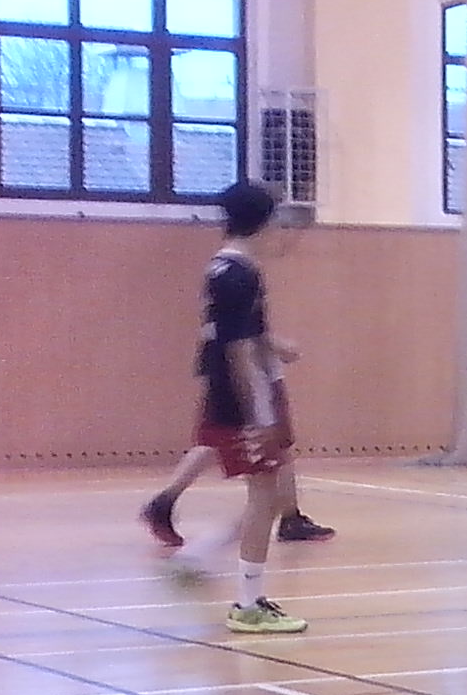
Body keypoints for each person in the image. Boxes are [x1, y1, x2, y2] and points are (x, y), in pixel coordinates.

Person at [185, 180, 307, 636]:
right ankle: (247, 603)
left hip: (222, 392)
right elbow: (237, 349)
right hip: (240, 400)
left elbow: (240, 332)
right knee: (266, 495)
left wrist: (272, 343)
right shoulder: (241, 274)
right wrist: (260, 414)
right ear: (264, 221)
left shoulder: (223, 266)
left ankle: (202, 560)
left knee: (268, 494)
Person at [143, 343, 334, 550]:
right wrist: (277, 348)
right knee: (268, 477)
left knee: (213, 443)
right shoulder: (242, 336)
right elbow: (247, 338)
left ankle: (164, 503)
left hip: (226, 379)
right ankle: (202, 550)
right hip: (249, 382)